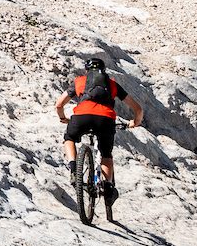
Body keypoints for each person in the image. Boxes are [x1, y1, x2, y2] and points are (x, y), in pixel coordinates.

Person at [54, 56, 146, 203]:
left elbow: (59, 105)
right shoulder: (112, 84)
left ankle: (73, 168)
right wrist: (134, 122)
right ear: (103, 71)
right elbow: (138, 108)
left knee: (69, 138)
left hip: (81, 116)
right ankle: (108, 187)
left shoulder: (79, 81)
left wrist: (63, 118)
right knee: (106, 154)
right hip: (105, 119)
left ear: (87, 71)